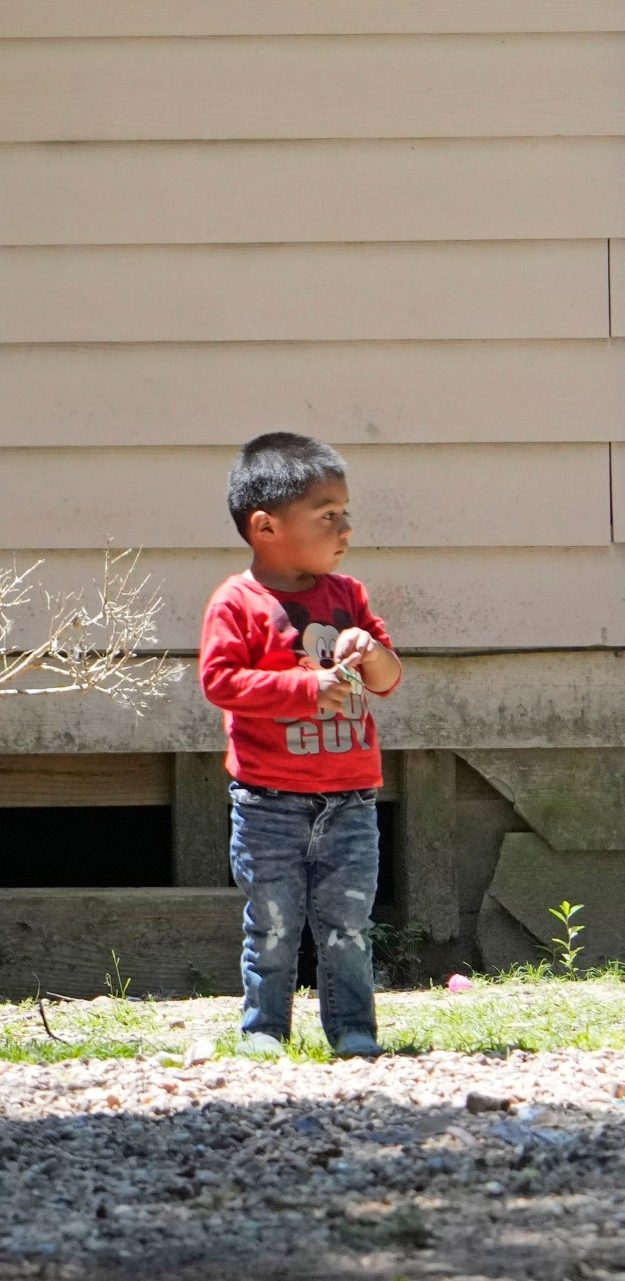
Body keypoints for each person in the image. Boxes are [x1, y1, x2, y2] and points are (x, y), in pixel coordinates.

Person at [200, 433, 404, 1061]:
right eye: (327, 515)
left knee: (347, 926)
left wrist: (369, 652)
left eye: (345, 512)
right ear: (265, 526)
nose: (346, 528)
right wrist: (304, 688)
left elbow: (390, 679)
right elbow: (220, 681)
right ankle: (265, 1028)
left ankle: (352, 1029)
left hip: (351, 800)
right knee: (273, 926)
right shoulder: (238, 603)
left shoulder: (348, 597)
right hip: (268, 803)